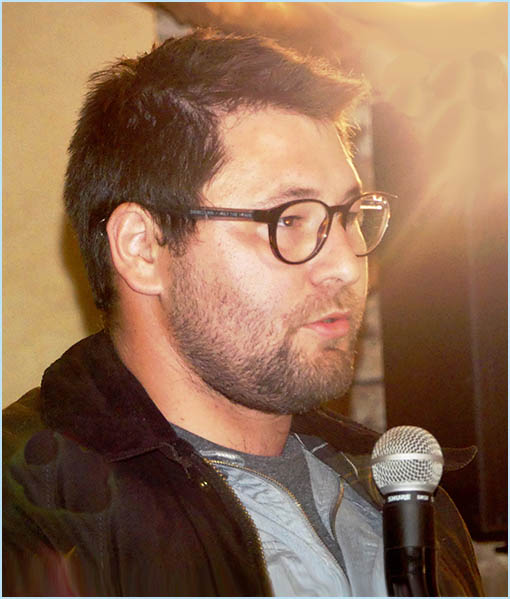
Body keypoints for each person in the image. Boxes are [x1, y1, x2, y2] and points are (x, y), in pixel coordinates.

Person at [3, 28, 482, 597]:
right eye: (290, 219)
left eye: (351, 216)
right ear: (143, 247)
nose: (348, 267)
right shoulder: (31, 519)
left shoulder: (409, 498)